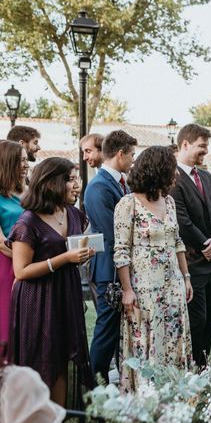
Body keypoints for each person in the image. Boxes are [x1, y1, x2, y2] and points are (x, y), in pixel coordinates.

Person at [7, 157, 95, 406]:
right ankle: (32, 419)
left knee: (64, 355)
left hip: (65, 294)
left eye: (77, 178)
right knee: (42, 358)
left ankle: (57, 419)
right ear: (52, 183)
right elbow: (21, 271)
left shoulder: (74, 214)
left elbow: (73, 252)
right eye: (70, 179)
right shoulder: (28, 222)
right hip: (37, 298)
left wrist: (81, 257)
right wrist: (65, 258)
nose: (76, 185)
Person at [113, 146, 193, 392]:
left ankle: (174, 394)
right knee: (146, 339)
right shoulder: (128, 204)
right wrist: (127, 290)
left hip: (173, 285)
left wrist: (186, 277)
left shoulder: (169, 201)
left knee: (173, 335)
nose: (176, 174)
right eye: (172, 168)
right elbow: (121, 251)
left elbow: (177, 241)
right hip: (144, 288)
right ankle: (146, 396)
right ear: (159, 169)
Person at [170, 124, 211, 367]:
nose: (206, 151)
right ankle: (192, 368)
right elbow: (183, 223)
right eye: (202, 146)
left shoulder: (206, 176)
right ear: (185, 144)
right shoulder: (173, 179)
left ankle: (204, 366)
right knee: (197, 320)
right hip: (192, 264)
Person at [84, 130, 138, 385]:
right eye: (131, 155)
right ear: (120, 154)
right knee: (105, 333)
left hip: (120, 269)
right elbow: (112, 235)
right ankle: (95, 383)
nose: (133, 160)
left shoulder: (119, 183)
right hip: (109, 271)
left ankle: (113, 381)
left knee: (116, 332)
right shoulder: (98, 187)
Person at [0, 141, 28, 354]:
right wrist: (26, 260)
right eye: (22, 160)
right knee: (7, 324)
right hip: (6, 264)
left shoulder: (26, 192)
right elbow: (0, 241)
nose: (26, 164)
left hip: (29, 263)